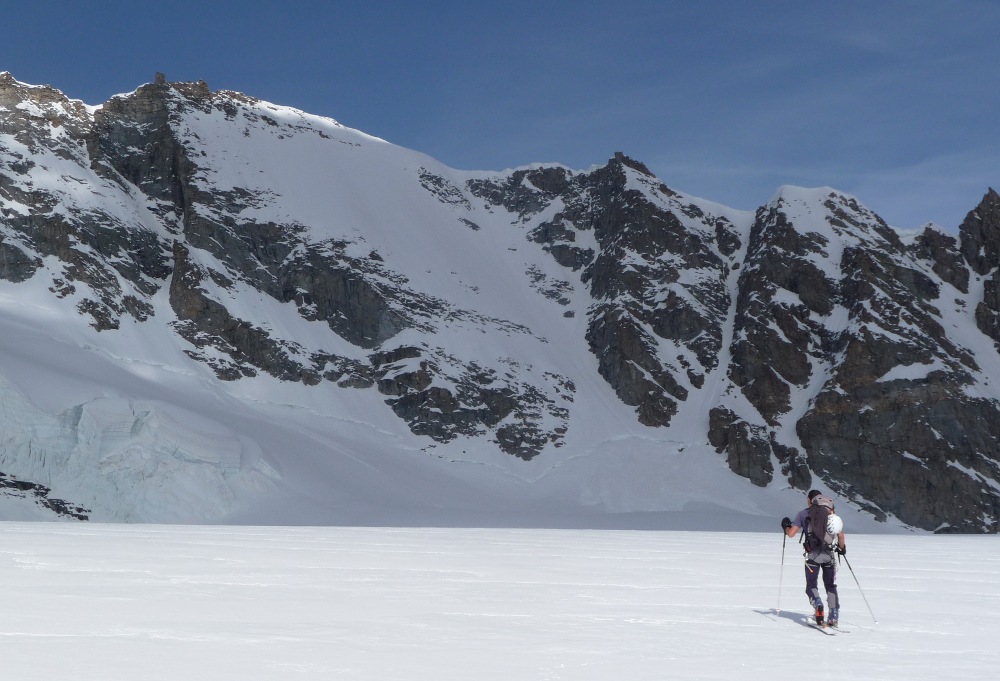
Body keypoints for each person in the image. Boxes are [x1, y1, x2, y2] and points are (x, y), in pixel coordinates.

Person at [781, 489, 846, 627]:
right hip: (829, 555)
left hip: (812, 556)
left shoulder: (803, 514)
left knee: (811, 586)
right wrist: (842, 548)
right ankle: (833, 615)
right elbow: (840, 536)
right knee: (830, 586)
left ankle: (817, 603)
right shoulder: (831, 514)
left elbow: (791, 533)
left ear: (810, 500)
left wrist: (786, 525)